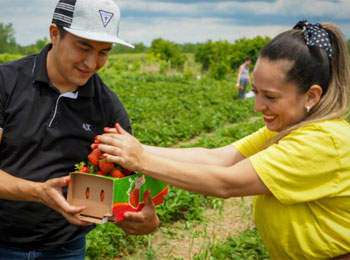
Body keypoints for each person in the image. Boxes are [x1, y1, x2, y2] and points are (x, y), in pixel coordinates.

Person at [94, 20, 350, 260]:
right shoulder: (290, 129)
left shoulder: (323, 142)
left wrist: (142, 160)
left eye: (270, 97)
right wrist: (133, 148)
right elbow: (219, 158)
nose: (258, 106)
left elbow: (225, 183)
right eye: (256, 92)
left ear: (312, 96)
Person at [0, 0, 159, 259]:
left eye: (103, 52)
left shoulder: (108, 108)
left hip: (65, 249)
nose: (91, 62)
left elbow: (124, 184)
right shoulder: (6, 82)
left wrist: (145, 221)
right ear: (55, 34)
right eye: (83, 47)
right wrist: (39, 193)